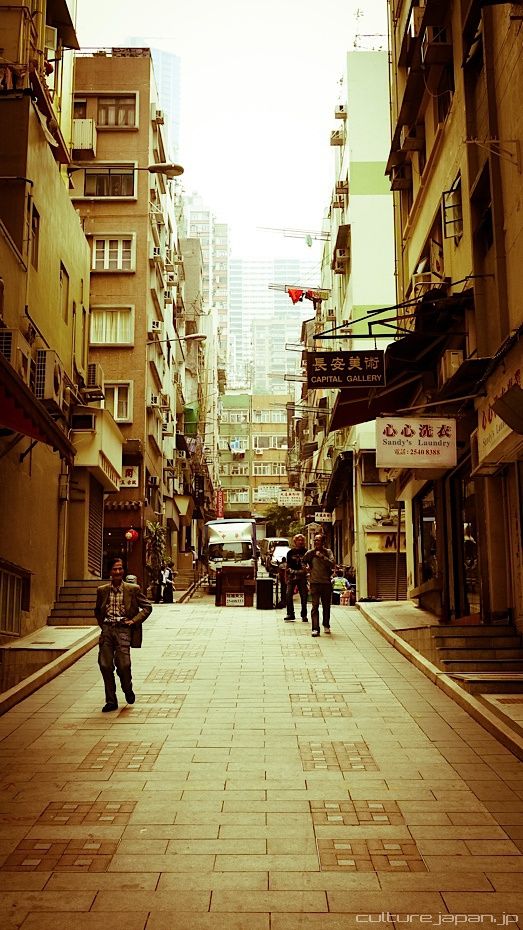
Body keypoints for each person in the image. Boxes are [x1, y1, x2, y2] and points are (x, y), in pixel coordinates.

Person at [94, 557, 152, 713]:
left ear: (123, 571)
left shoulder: (133, 589)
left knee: (124, 665)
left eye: (120, 568)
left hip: (123, 630)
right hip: (107, 630)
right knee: (105, 665)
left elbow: (147, 607)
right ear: (110, 571)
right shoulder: (102, 590)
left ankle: (127, 688)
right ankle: (111, 700)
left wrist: (134, 621)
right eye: (115, 569)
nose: (118, 571)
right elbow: (98, 610)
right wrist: (104, 626)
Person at [303, 533, 336, 636]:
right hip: (314, 583)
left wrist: (322, 557)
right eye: (315, 540)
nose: (316, 542)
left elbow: (332, 563)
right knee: (315, 606)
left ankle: (326, 624)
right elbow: (303, 562)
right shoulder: (310, 553)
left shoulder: (328, 552)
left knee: (326, 606)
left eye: (318, 540)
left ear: (323, 542)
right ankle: (315, 628)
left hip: (326, 583)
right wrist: (306, 568)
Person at [283, 533, 309, 622]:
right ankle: (290, 613)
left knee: (304, 596)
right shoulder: (290, 552)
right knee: (288, 594)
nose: (300, 542)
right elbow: (287, 565)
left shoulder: (307, 552)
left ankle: (304, 615)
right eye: (298, 540)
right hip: (292, 576)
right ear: (295, 542)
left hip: (302, 576)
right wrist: (286, 577)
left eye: (302, 540)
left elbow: (309, 565)